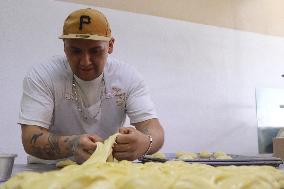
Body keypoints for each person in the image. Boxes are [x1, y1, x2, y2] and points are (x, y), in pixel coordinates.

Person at [18, 8, 164, 164]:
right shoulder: (43, 75)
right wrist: (71, 146)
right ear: (64, 46)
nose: (85, 61)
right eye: (75, 51)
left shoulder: (127, 77)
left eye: (95, 51)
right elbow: (30, 137)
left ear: (110, 45)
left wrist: (145, 142)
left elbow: (153, 128)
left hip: (105, 174)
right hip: (47, 173)